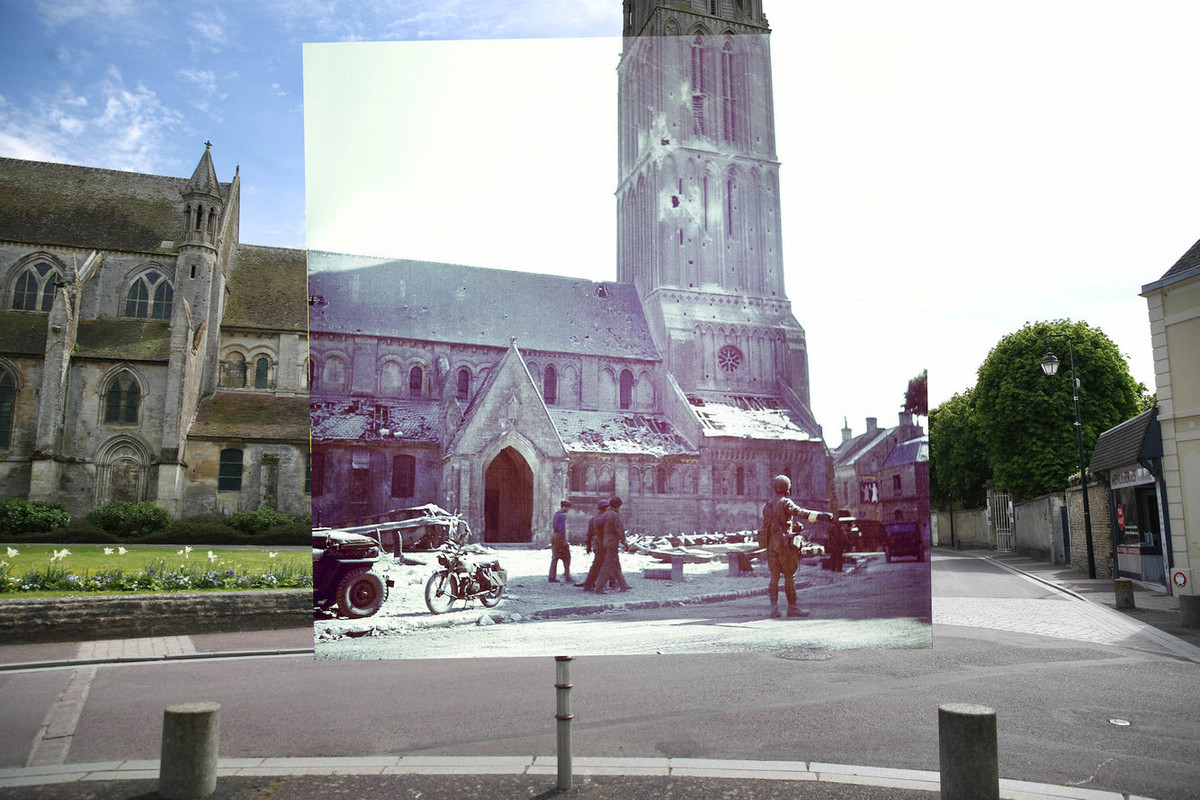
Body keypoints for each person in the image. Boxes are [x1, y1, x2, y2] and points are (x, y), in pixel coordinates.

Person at [759, 475, 833, 617]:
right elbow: (800, 512)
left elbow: (767, 527)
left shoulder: (767, 506)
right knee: (789, 576)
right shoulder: (786, 502)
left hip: (771, 545)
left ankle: (774, 609)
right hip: (784, 544)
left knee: (774, 576)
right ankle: (792, 608)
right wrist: (819, 515)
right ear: (786, 487)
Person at [593, 496, 631, 594]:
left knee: (616, 565)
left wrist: (601, 541)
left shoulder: (605, 514)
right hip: (612, 543)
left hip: (605, 541)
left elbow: (598, 529)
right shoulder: (614, 515)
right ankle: (599, 587)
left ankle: (623, 585)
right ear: (618, 506)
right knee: (607, 566)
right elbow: (619, 530)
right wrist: (625, 542)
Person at [578, 499, 609, 591]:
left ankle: (605, 583)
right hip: (602, 543)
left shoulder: (593, 519)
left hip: (597, 543)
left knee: (601, 563)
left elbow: (589, 534)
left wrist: (588, 547)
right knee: (599, 564)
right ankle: (589, 584)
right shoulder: (605, 518)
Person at [549, 500, 572, 583]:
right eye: (567, 507)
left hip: (554, 535)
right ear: (564, 507)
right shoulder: (562, 515)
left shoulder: (556, 514)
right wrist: (564, 540)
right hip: (559, 536)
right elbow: (562, 529)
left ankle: (551, 576)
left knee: (555, 557)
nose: (568, 509)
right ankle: (567, 575)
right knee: (567, 557)